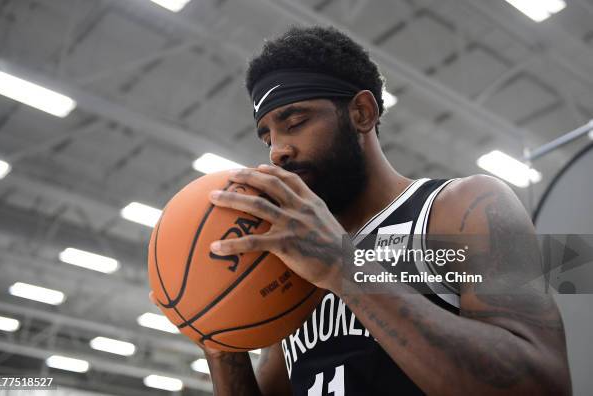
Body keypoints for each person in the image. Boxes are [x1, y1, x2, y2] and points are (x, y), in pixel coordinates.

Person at [202, 26, 571, 395]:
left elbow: (542, 383)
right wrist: (220, 344)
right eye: (267, 138)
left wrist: (343, 265)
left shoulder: (459, 208)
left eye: (295, 123)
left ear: (362, 113)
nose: (277, 151)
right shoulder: (292, 266)